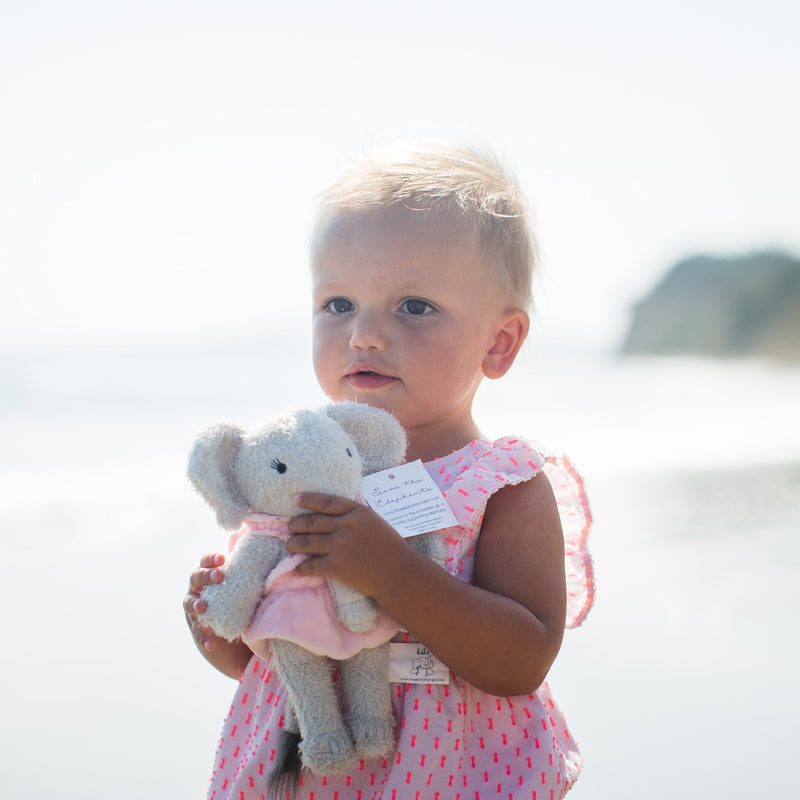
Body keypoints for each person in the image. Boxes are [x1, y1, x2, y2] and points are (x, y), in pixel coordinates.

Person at [184, 142, 594, 799]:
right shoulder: (296, 482)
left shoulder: (498, 484)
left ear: (499, 342)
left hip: (445, 775)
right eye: (338, 304)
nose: (364, 335)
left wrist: (392, 572)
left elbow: (521, 661)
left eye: (415, 307)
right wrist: (220, 627)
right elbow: (279, 658)